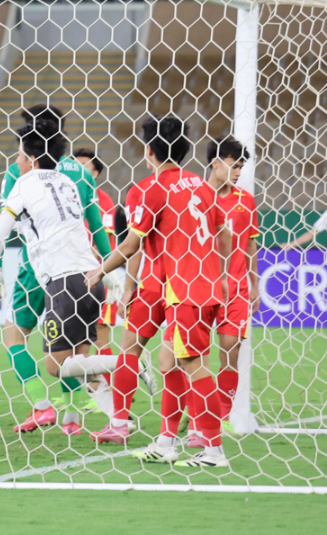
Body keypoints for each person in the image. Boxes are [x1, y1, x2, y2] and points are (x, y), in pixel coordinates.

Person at [88, 117, 232, 468]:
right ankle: (167, 441)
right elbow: (224, 233)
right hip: (196, 286)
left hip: (183, 291)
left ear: (149, 150)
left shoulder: (151, 188)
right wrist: (222, 275)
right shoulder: (201, 185)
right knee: (169, 363)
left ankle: (214, 450)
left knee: (194, 366)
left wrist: (100, 271)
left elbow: (132, 244)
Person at [0, 120, 121, 436]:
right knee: (78, 354)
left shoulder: (20, 180)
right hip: (90, 275)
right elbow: (93, 224)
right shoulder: (75, 178)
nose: (16, 160)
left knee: (30, 346)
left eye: (19, 154)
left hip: (50, 276)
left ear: (31, 156)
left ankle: (44, 405)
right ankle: (88, 420)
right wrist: (110, 269)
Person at [195, 136, 259, 437]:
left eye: (241, 167)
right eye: (234, 166)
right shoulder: (196, 197)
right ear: (215, 162)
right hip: (199, 286)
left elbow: (250, 244)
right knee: (193, 356)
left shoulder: (245, 200)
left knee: (230, 350)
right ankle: (196, 412)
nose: (238, 173)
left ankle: (218, 417)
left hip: (235, 289)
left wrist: (255, 284)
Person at [72, 147, 125, 413]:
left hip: (99, 277)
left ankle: (117, 393)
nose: (75, 171)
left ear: (94, 174)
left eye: (83, 167)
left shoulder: (101, 200)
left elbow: (103, 243)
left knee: (100, 337)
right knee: (74, 342)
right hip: (73, 278)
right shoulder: (66, 197)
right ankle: (97, 391)